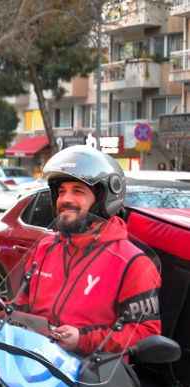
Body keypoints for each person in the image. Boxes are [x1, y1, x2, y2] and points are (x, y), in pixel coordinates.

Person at [14, 145, 161, 356]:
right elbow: (21, 304)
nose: (65, 199)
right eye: (61, 191)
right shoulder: (46, 248)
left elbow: (145, 333)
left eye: (78, 191)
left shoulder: (133, 262)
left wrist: (82, 340)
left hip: (94, 376)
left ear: (103, 200)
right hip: (35, 362)